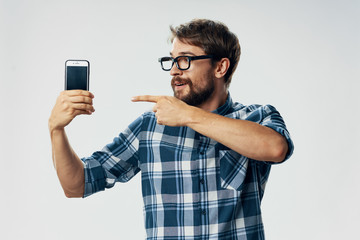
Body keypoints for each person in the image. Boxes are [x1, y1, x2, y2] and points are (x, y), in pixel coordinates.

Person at [49, 19, 294, 240]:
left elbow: (276, 148)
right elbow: (77, 185)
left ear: (220, 68)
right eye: (172, 60)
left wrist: (188, 115)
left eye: (185, 60)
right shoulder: (151, 126)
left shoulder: (256, 117)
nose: (175, 70)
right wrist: (56, 130)